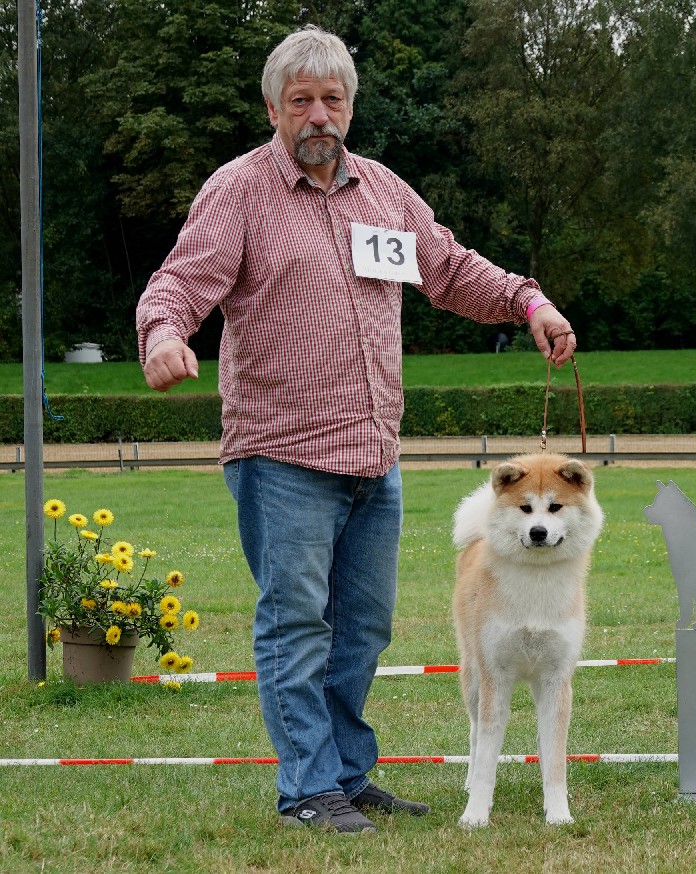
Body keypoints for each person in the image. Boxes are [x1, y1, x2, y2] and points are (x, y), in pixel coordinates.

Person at [137, 25, 577, 832]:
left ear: (350, 106)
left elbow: (450, 268)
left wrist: (528, 301)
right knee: (297, 624)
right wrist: (164, 334)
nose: (318, 115)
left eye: (332, 100)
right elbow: (179, 280)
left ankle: (343, 772)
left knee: (364, 630)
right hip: (282, 454)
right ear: (273, 108)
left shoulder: (383, 192)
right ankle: (309, 788)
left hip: (374, 456)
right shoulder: (238, 191)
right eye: (300, 100)